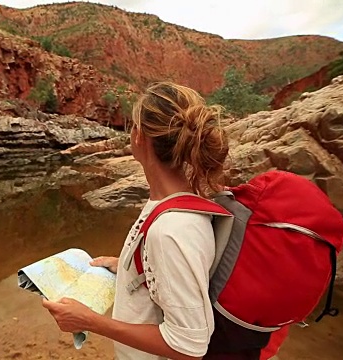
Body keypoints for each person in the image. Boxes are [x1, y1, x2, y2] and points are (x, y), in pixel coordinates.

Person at [42, 81, 230, 360]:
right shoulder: (168, 204)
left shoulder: (171, 231)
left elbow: (189, 347)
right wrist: (129, 268)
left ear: (139, 136)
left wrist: (89, 321)